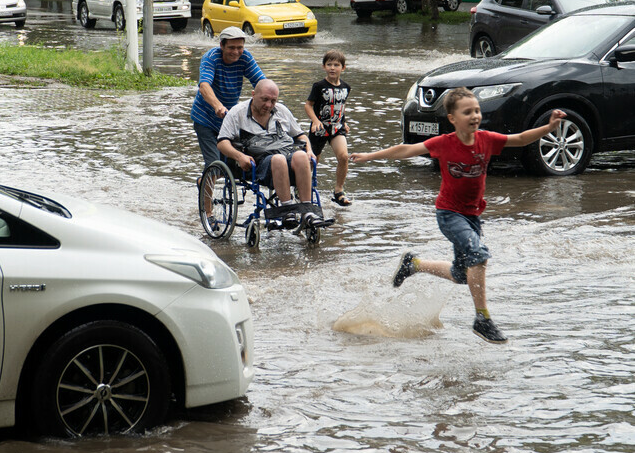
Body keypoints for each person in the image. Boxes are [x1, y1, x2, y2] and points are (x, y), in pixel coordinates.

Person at [349, 87, 567, 344]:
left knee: (462, 274)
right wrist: (370, 156)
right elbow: (406, 150)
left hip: (473, 215)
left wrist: (548, 128)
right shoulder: (444, 144)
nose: (475, 115)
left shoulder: (486, 139)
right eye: (467, 112)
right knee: (478, 255)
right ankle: (482, 319)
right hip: (449, 214)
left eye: (477, 110)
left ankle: (414, 264)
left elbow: (519, 138)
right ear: (452, 118)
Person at [217, 79, 320, 229]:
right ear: (253, 94)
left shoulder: (282, 111)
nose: (268, 105)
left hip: (287, 156)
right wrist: (240, 157)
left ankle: (307, 211)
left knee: (301, 156)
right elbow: (222, 142)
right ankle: (287, 210)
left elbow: (301, 136)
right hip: (258, 164)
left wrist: (309, 151)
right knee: (278, 159)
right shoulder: (237, 113)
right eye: (264, 100)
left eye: (273, 101)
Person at [191, 26, 266, 169]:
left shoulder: (245, 58)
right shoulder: (211, 58)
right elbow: (204, 86)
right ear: (221, 46)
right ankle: (205, 186)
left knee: (231, 166)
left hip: (228, 119)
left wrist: (268, 102)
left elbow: (261, 83)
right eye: (231, 48)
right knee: (215, 166)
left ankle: (210, 184)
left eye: (240, 47)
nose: (236, 52)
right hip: (205, 118)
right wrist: (217, 106)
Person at [304, 49, 352, 206]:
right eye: (329, 64)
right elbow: (308, 105)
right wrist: (315, 121)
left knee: (343, 156)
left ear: (343, 68)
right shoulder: (318, 86)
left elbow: (340, 106)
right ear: (324, 66)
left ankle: (339, 191)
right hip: (320, 128)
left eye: (336, 65)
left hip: (337, 128)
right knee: (313, 160)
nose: (332, 68)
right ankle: (302, 187)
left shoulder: (346, 87)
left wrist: (343, 121)